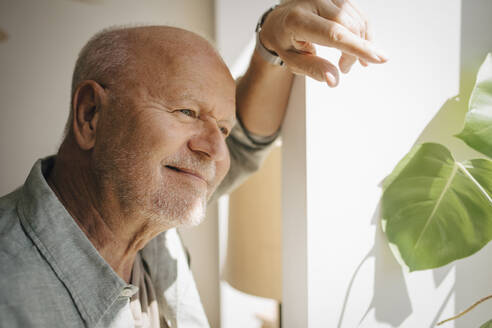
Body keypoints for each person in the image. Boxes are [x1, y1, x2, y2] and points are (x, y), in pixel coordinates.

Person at [0, 1, 387, 327]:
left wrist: (271, 42)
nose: (215, 152)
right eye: (186, 111)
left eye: (221, 127)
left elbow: (244, 143)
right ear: (91, 115)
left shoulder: (151, 213)